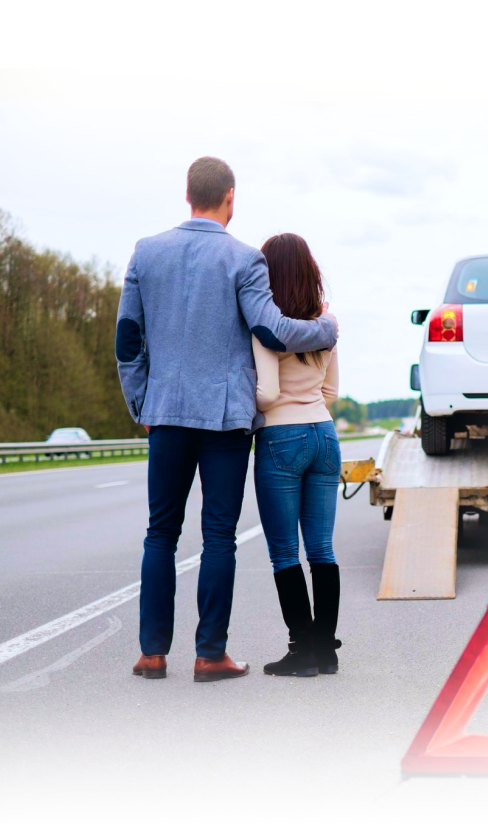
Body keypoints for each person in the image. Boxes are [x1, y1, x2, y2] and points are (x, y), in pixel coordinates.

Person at [117, 157, 338, 683]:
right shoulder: (244, 260)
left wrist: (141, 406)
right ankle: (210, 654)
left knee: (159, 535)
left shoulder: (146, 253)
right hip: (225, 422)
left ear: (187, 193)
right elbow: (273, 330)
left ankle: (152, 653)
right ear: (230, 196)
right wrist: (327, 332)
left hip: (165, 413)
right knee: (218, 537)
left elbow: (129, 340)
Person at [251, 233, 342, 677]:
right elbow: (332, 391)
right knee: (322, 548)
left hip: (280, 436)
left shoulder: (266, 327)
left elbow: (266, 394)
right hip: (324, 434)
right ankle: (326, 651)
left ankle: (300, 651)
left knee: (285, 552)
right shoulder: (326, 323)